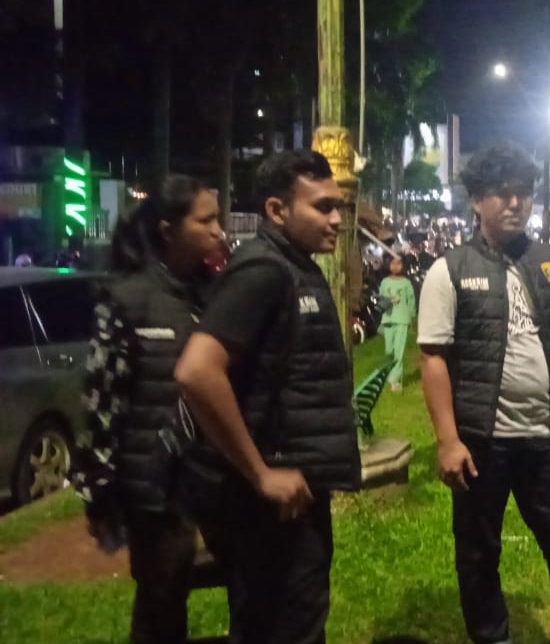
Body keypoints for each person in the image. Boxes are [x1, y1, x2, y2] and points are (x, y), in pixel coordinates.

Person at [417, 143, 550, 644]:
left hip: (546, 438)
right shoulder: (449, 269)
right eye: (502, 193)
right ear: (476, 201)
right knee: (479, 553)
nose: (515, 203)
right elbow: (433, 358)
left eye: (523, 193)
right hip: (481, 442)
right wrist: (448, 440)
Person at [174, 149, 360, 644]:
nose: (337, 219)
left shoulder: (294, 266)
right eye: (323, 207)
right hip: (267, 503)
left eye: (338, 206)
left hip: (293, 494)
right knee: (283, 627)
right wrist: (260, 473)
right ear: (277, 210)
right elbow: (197, 371)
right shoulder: (264, 271)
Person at [72, 175, 224, 643]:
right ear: (168, 230)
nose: (219, 230)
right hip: (156, 488)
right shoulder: (127, 299)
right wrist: (100, 491)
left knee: (249, 581)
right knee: (162, 605)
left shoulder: (214, 295)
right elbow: (101, 401)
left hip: (216, 478)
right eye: (206, 220)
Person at [379, 255, 417, 392]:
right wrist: (387, 300)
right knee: (389, 350)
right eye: (393, 263)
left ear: (403, 266)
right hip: (388, 319)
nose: (395, 266)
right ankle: (388, 375)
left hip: (402, 319)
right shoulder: (384, 282)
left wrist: (411, 317)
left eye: (398, 263)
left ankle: (395, 380)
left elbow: (411, 301)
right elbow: (380, 298)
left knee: (398, 351)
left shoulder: (406, 283)